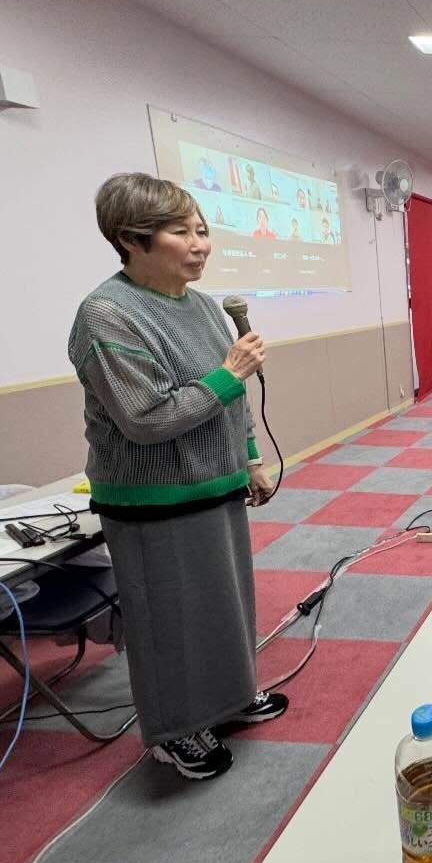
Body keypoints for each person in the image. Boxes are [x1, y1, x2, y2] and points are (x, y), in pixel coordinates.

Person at [68, 173, 287, 781]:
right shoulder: (107, 315)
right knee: (169, 618)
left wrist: (248, 459)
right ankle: (174, 730)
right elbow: (144, 419)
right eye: (180, 231)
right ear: (130, 239)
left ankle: (228, 699)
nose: (200, 244)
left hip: (215, 485)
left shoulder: (203, 307)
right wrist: (228, 374)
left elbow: (233, 401)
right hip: (150, 498)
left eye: (202, 230)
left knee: (226, 604)